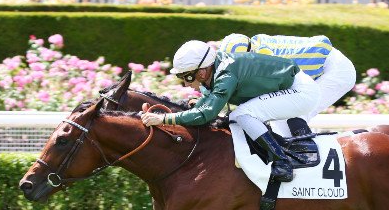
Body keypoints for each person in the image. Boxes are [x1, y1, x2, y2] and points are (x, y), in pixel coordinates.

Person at [141, 40, 321, 182]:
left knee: (242, 114)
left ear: (202, 72)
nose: (186, 84)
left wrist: (164, 119)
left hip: (301, 92)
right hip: (293, 87)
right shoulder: (215, 69)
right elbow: (203, 106)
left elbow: (206, 114)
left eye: (186, 77)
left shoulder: (226, 75)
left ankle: (282, 161)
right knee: (236, 116)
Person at [218, 33, 356, 137]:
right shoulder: (256, 46)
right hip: (329, 62)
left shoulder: (265, 57)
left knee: (291, 117)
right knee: (281, 118)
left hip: (336, 70)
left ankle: (308, 157)